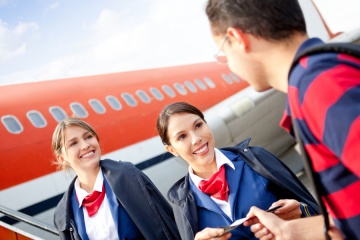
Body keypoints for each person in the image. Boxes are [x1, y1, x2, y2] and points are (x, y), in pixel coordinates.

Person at [205, 0, 360, 239]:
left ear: (237, 38)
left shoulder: (319, 86)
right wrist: (293, 230)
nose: (230, 66)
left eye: (224, 53)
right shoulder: (321, 74)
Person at [157, 102, 320, 240]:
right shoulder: (183, 204)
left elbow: (315, 212)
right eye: (182, 137)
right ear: (172, 150)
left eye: (198, 125)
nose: (196, 138)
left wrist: (300, 211)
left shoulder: (256, 159)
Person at [52, 117, 181, 240]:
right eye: (73, 143)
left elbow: (167, 223)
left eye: (88, 137)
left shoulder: (129, 176)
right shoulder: (63, 214)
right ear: (62, 158)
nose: (85, 145)